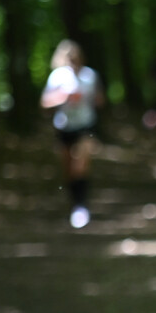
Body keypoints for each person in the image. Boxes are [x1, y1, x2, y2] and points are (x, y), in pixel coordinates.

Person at [40, 39, 104, 229]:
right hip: (64, 127)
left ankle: (82, 206)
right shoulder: (57, 77)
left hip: (85, 126)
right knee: (68, 168)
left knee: (81, 165)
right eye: (69, 59)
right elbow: (44, 102)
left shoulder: (90, 76)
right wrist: (63, 97)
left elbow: (100, 100)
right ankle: (74, 203)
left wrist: (91, 99)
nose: (73, 62)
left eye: (75, 58)